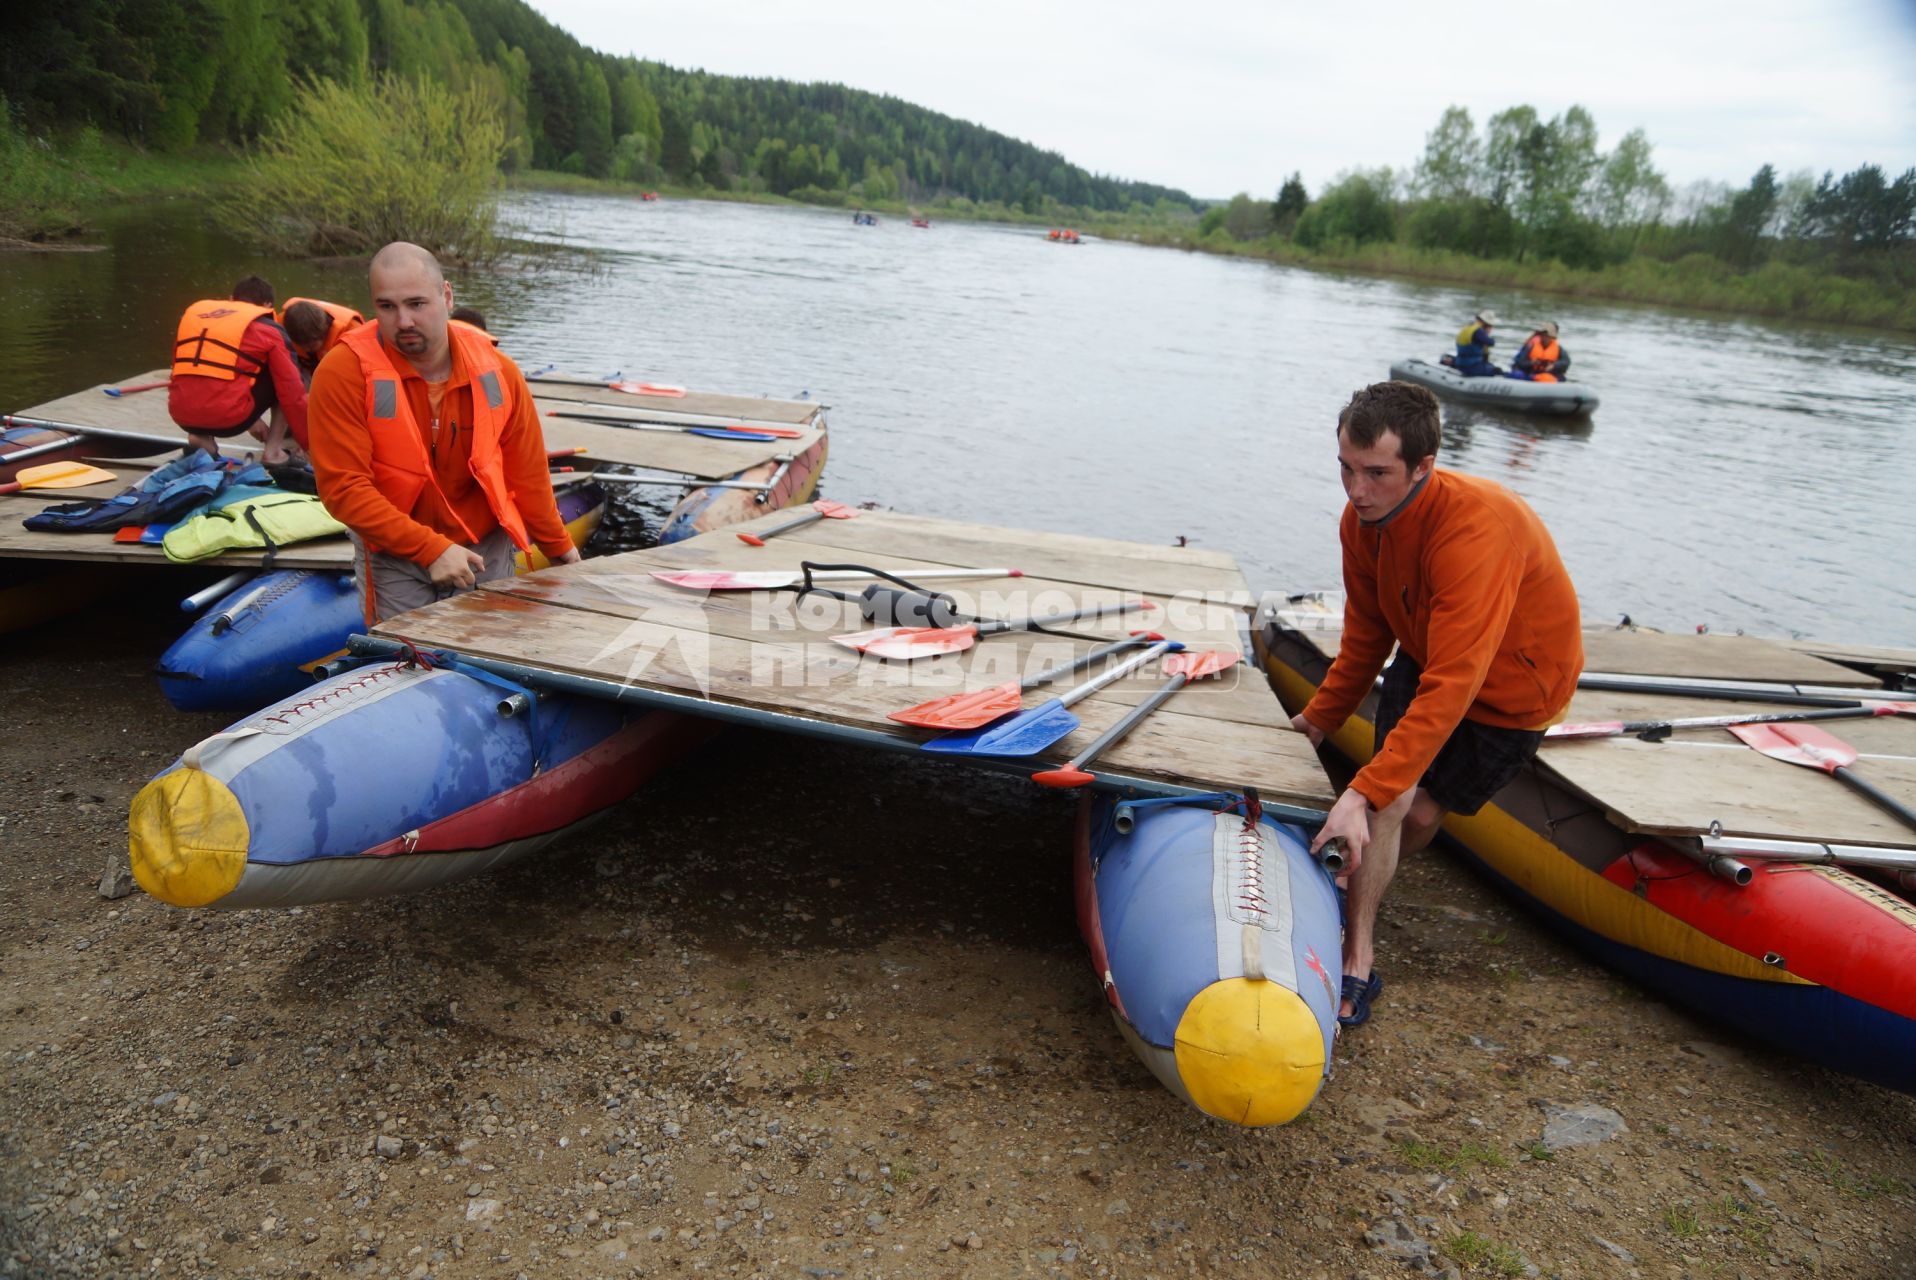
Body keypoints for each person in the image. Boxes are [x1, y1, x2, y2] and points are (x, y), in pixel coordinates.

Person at [1289, 380, 1583, 1029]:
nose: (1356, 490)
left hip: (1513, 692)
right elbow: (1367, 637)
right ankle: (1356, 958)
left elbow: (1455, 684)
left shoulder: (1476, 532)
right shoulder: (1360, 524)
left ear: (1423, 467)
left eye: (1376, 473)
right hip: (1431, 654)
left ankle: (1361, 859)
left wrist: (1360, 795)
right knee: (1392, 798)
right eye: (1345, 468)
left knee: (1415, 811)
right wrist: (1317, 720)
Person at [307, 242, 581, 626]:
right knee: (404, 660)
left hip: (484, 544)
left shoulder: (499, 372)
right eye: (387, 306)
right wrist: (431, 549)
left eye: (417, 304)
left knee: (489, 654)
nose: (403, 321)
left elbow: (528, 473)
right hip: (393, 550)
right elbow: (344, 488)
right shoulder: (343, 372)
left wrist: (560, 548)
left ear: (447, 295)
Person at [168, 275, 309, 463]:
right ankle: (274, 452)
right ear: (267, 305)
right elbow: (292, 391)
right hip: (230, 419)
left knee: (200, 367)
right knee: (284, 377)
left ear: (231, 299)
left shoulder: (197, 317)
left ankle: (200, 438)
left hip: (181, 415)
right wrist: (308, 442)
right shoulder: (269, 329)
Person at [280, 297, 366, 385]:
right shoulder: (280, 325)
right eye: (302, 345)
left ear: (324, 330)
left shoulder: (352, 329)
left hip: (340, 370)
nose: (307, 349)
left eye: (312, 345)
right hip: (304, 366)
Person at [1451, 310, 1500, 377]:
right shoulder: (1479, 332)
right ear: (1485, 323)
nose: (1491, 328)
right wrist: (1487, 333)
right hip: (1471, 366)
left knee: (1490, 366)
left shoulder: (1468, 327)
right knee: (1498, 371)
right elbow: (1491, 343)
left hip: (1460, 363)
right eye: (1490, 326)